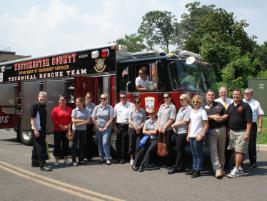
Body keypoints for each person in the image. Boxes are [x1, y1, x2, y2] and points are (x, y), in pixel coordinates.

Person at [227, 88, 252, 178]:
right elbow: (228, 117)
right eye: (234, 95)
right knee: (235, 150)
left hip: (242, 132)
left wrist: (247, 133)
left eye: (237, 94)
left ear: (241, 95)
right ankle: (239, 168)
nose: (235, 96)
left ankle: (236, 169)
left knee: (239, 151)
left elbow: (249, 122)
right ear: (232, 95)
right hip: (232, 132)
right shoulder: (230, 106)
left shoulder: (245, 106)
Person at [204, 90, 228, 178]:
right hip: (210, 131)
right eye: (209, 95)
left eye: (212, 95)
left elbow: (226, 114)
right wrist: (212, 117)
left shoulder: (219, 104)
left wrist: (222, 117)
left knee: (221, 150)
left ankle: (221, 168)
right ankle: (217, 169)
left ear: (214, 96)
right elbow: (200, 116)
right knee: (213, 151)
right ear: (206, 96)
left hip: (222, 129)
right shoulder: (203, 106)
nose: (211, 96)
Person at [168, 94, 192, 174]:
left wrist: (174, 125)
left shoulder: (189, 108)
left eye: (182, 99)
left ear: (187, 100)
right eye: (180, 99)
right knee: (181, 150)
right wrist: (175, 126)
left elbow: (185, 121)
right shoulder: (181, 108)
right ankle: (182, 166)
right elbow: (178, 119)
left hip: (183, 132)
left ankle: (175, 167)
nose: (180, 101)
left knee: (179, 150)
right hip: (177, 131)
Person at [186, 95, 209, 178]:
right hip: (191, 135)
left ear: (200, 102)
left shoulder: (202, 112)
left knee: (199, 154)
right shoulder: (192, 111)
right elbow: (190, 124)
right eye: (194, 102)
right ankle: (193, 169)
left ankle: (198, 170)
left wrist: (201, 135)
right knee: (193, 154)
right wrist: (188, 134)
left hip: (198, 136)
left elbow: (206, 125)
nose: (195, 103)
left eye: (197, 102)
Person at [30, 91, 51, 171]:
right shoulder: (34, 106)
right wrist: (35, 130)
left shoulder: (43, 106)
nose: (43, 98)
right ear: (38, 97)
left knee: (36, 146)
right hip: (37, 130)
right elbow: (32, 119)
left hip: (42, 129)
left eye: (44, 97)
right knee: (41, 147)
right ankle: (43, 164)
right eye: (41, 97)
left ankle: (34, 161)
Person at [243, 88, 264, 168]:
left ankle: (253, 162)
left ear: (252, 94)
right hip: (242, 125)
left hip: (253, 125)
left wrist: (260, 127)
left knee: (252, 144)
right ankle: (239, 162)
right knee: (241, 144)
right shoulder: (241, 102)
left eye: (248, 93)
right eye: (245, 93)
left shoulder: (256, 103)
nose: (246, 94)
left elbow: (260, 115)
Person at [92, 93, 115, 165]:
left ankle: (107, 158)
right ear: (100, 99)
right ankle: (101, 157)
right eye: (102, 98)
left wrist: (106, 127)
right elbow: (93, 118)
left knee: (105, 142)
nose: (103, 100)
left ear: (107, 99)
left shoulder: (110, 107)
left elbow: (111, 118)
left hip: (107, 127)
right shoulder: (97, 107)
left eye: (105, 98)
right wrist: (98, 127)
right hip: (98, 127)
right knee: (100, 142)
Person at [215, 86, 233, 171]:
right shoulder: (216, 101)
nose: (223, 94)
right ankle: (220, 163)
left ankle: (227, 163)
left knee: (229, 144)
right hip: (220, 126)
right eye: (222, 92)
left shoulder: (231, 101)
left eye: (225, 92)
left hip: (230, 125)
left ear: (227, 93)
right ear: (219, 93)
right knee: (221, 145)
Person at [51, 95, 72, 165]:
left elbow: (71, 119)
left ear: (66, 101)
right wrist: (61, 126)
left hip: (66, 130)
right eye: (60, 100)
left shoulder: (69, 109)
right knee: (57, 145)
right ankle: (57, 160)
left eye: (63, 100)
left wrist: (68, 126)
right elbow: (54, 119)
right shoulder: (55, 109)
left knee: (66, 145)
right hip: (57, 130)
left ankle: (66, 159)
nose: (61, 101)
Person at [157, 93, 176, 167]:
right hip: (161, 130)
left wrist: (164, 128)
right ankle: (162, 162)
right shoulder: (162, 106)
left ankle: (168, 163)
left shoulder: (172, 107)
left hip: (168, 130)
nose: (165, 99)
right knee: (161, 145)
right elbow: (159, 117)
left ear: (170, 97)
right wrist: (158, 126)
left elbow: (171, 119)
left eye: (167, 97)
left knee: (168, 146)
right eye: (164, 97)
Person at [114, 92, 134, 164]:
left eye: (124, 97)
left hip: (127, 125)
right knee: (118, 142)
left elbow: (133, 116)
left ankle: (123, 158)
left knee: (124, 142)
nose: (122, 99)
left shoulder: (131, 105)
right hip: (118, 125)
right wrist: (114, 126)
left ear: (127, 97)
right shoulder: (117, 106)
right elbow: (115, 117)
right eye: (121, 97)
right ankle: (118, 157)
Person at [71, 97, 90, 166]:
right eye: (76, 102)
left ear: (82, 102)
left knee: (82, 145)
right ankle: (74, 160)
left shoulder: (86, 110)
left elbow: (88, 121)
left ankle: (81, 159)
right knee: (75, 145)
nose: (76, 103)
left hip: (83, 130)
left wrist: (79, 123)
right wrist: (82, 121)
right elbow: (73, 121)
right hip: (75, 130)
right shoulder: (74, 110)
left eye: (78, 102)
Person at [128, 97, 146, 166]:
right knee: (131, 144)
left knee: (139, 144)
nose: (136, 104)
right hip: (132, 129)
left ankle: (137, 158)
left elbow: (144, 120)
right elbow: (129, 120)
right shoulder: (131, 111)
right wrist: (135, 127)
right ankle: (132, 158)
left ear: (140, 103)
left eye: (138, 102)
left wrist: (140, 127)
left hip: (140, 129)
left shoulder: (143, 111)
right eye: (135, 102)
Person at [85, 92, 96, 160]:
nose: (89, 98)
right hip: (84, 125)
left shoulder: (93, 105)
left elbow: (95, 116)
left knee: (90, 141)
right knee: (84, 141)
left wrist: (94, 125)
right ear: (85, 97)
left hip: (91, 125)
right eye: (87, 97)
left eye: (90, 97)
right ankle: (84, 155)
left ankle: (90, 156)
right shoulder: (83, 105)